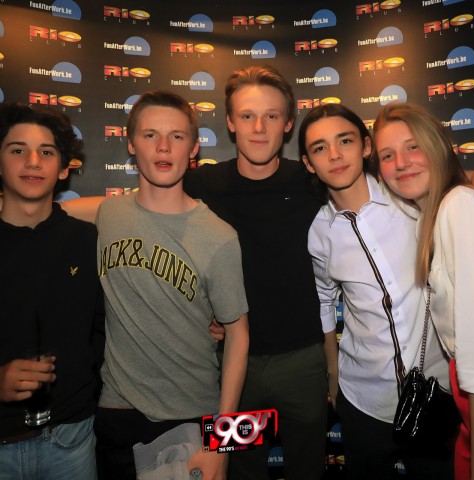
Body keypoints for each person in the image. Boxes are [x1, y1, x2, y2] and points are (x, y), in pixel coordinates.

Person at [93, 90, 249, 480]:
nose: (163, 147)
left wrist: (222, 443)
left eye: (177, 136)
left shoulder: (219, 237)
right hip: (116, 411)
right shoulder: (108, 213)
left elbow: (238, 336)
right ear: (131, 143)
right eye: (150, 135)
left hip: (191, 417)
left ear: (193, 148)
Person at [184, 65, 328, 480]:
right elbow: (147, 210)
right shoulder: (202, 185)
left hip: (303, 361)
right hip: (234, 368)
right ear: (231, 122)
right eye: (247, 116)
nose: (259, 128)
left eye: (271, 116)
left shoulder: (313, 181)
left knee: (308, 470)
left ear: (288, 123)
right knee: (240, 471)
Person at [299, 103, 452, 480]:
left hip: (436, 391)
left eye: (345, 141)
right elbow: (324, 301)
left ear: (366, 146)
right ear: (308, 163)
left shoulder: (409, 198)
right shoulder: (320, 233)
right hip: (363, 400)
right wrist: (333, 375)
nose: (334, 155)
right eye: (320, 148)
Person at [373, 102, 474, 480]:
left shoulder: (458, 206)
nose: (401, 163)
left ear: (438, 146)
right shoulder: (430, 215)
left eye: (413, 147)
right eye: (387, 155)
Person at [0, 102, 104, 479]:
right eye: (17, 150)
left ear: (63, 168)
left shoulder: (88, 240)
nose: (32, 161)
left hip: (72, 441)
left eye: (46, 152)